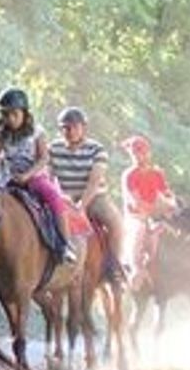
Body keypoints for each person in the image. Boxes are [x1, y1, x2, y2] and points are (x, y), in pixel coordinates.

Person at [0, 89, 76, 261]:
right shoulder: (1, 133)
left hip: (34, 177)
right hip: (9, 178)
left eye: (14, 114)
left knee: (53, 197)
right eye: (6, 115)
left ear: (24, 112)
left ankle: (65, 244)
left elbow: (44, 158)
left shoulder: (37, 131)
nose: (10, 119)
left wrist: (27, 175)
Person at [48, 106, 125, 286]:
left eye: (75, 127)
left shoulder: (97, 149)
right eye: (65, 127)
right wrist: (61, 198)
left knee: (116, 222)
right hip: (65, 197)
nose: (70, 131)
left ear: (84, 128)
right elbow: (49, 176)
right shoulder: (53, 148)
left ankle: (114, 266)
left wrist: (81, 206)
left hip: (95, 197)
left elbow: (94, 181)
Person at [119, 134, 177, 279]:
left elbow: (167, 194)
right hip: (135, 217)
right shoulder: (129, 175)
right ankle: (135, 268)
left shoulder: (157, 174)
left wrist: (171, 204)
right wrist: (160, 207)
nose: (139, 156)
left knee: (178, 228)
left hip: (153, 216)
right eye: (135, 153)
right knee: (139, 229)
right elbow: (136, 203)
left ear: (148, 153)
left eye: (142, 152)